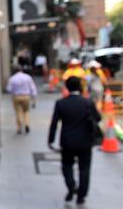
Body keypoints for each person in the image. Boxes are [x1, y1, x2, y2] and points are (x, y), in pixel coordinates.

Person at [48, 76, 101, 205]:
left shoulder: (61, 103)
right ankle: (81, 195)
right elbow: (98, 118)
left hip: (67, 141)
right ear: (80, 87)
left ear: (67, 87)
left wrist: (51, 140)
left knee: (67, 166)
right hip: (85, 141)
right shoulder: (88, 103)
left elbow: (54, 123)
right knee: (84, 169)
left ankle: (71, 186)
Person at [6, 65, 38, 134]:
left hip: (16, 97)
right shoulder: (27, 77)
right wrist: (34, 99)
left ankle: (19, 127)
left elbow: (9, 89)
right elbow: (33, 88)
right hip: (26, 96)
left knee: (18, 112)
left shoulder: (12, 78)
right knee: (26, 111)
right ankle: (27, 124)